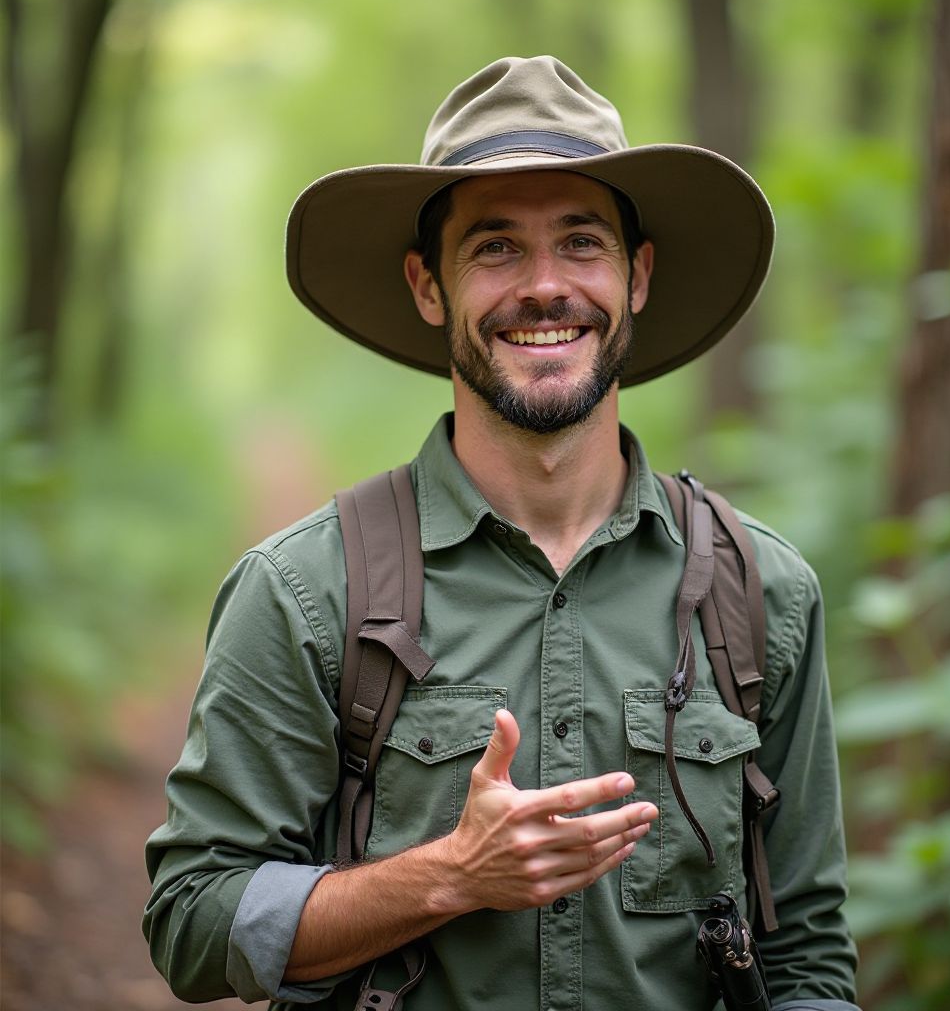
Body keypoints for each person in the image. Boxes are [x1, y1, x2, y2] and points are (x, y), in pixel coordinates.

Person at [144, 56, 861, 1010]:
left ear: (636, 275)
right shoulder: (306, 590)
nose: (544, 287)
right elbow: (193, 920)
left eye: (581, 242)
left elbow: (807, 955)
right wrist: (449, 876)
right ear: (428, 287)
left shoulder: (760, 593)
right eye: (493, 249)